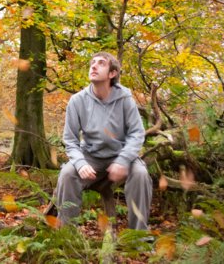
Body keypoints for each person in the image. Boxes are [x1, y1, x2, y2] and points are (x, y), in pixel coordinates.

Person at [56, 52, 152, 230]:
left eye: (101, 63)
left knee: (140, 174)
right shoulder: (77, 101)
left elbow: (137, 133)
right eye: (92, 63)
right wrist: (80, 163)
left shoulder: (125, 100)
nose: (93, 66)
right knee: (67, 174)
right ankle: (67, 235)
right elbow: (70, 139)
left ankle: (139, 237)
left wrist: (123, 160)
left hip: (120, 154)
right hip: (90, 156)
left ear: (112, 74)